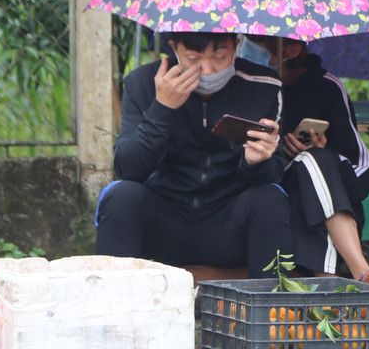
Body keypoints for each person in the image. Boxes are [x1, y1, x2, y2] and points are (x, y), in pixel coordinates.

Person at [93, 31, 293, 277]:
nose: (207, 70)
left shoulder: (263, 87)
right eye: (193, 58)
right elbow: (128, 168)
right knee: (121, 195)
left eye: (220, 57)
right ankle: (115, 305)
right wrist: (162, 108)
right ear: (173, 49)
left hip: (229, 225)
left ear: (236, 46)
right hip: (167, 223)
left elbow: (275, 173)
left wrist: (254, 162)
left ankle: (271, 306)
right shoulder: (142, 83)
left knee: (269, 198)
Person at [243, 35, 369, 285]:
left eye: (258, 41)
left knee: (315, 159)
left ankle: (333, 289)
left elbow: (361, 169)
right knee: (309, 161)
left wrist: (327, 153)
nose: (245, 45)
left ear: (290, 50)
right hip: (271, 199)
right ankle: (359, 273)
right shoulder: (246, 85)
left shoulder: (327, 88)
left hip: (335, 198)